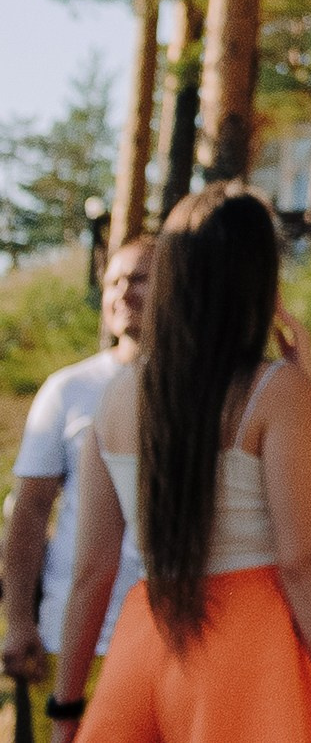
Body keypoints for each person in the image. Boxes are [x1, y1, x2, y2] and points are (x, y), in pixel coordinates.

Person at [49, 184, 311, 743]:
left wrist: (66, 705)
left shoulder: (116, 396)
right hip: (251, 643)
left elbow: (92, 572)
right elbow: (306, 556)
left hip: (148, 639)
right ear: (258, 275)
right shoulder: (273, 389)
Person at [4, 240, 152, 743]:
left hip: (171, 641)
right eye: (114, 281)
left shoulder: (210, 391)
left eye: (140, 279)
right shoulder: (68, 389)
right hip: (72, 640)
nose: (123, 293)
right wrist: (18, 620)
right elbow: (29, 513)